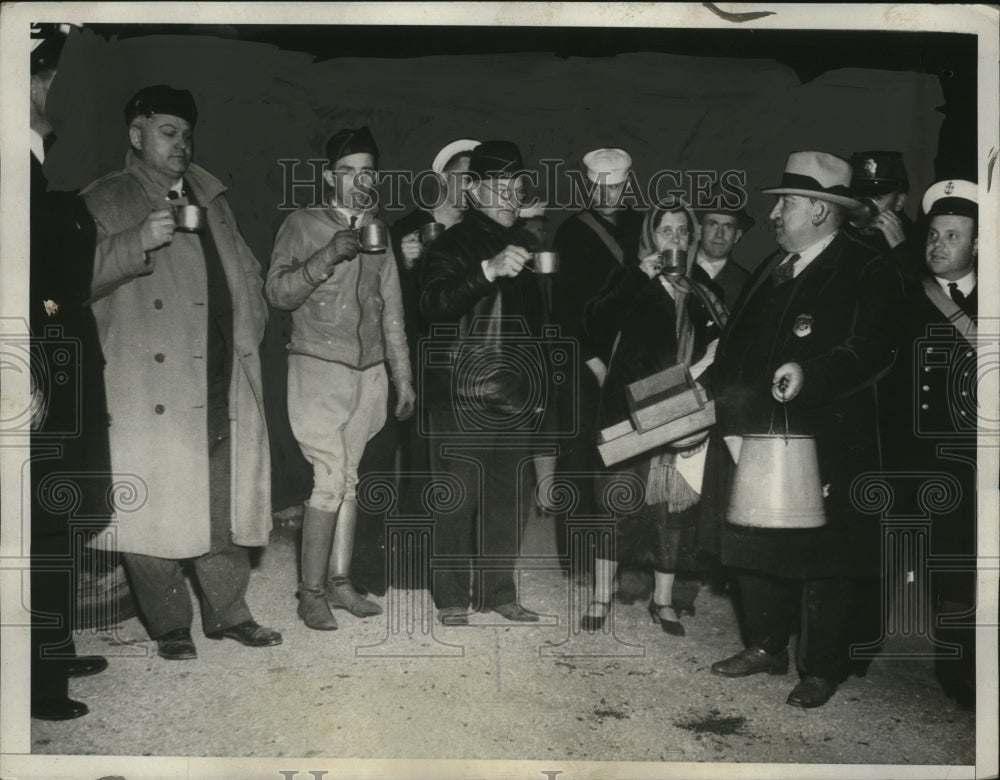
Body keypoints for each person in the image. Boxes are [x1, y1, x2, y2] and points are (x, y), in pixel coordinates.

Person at [82, 85, 281, 660]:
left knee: (224, 498)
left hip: (220, 372)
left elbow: (247, 266)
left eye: (187, 135)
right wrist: (135, 242)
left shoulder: (210, 195)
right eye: (168, 132)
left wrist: (251, 320)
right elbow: (69, 280)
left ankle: (229, 613)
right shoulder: (105, 199)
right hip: (150, 384)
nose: (181, 145)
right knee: (152, 504)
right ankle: (169, 623)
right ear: (136, 133)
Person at [708, 151, 905, 708]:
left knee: (826, 555)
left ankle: (820, 668)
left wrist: (811, 374)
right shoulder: (775, 264)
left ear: (819, 210)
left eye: (787, 204)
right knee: (753, 538)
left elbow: (873, 349)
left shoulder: (867, 267)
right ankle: (765, 645)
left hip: (826, 437)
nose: (774, 215)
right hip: (756, 428)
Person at [266, 126, 415, 630]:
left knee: (350, 478)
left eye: (366, 171)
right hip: (317, 366)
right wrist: (327, 254)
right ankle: (309, 593)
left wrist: (403, 377)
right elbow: (277, 294)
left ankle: (340, 581)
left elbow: (392, 311)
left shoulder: (379, 231)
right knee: (329, 478)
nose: (358, 180)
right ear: (331, 177)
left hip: (368, 373)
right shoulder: (302, 224)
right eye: (347, 171)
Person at [580, 203, 727, 634]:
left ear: (692, 238)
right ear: (651, 237)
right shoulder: (628, 278)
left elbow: (723, 341)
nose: (675, 240)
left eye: (682, 232)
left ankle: (662, 601)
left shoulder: (702, 290)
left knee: (670, 511)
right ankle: (601, 594)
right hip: (625, 413)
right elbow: (592, 324)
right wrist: (638, 279)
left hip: (678, 415)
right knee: (615, 504)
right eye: (666, 231)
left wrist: (703, 370)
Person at [419, 140, 546, 625]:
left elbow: (537, 329)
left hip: (515, 395)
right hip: (461, 395)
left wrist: (540, 393)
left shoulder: (529, 248)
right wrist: (487, 271)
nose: (512, 197)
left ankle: (498, 592)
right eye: (500, 187)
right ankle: (450, 595)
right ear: (472, 191)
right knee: (457, 498)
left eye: (518, 188)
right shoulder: (449, 244)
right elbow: (432, 306)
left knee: (508, 500)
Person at [28, 24, 111, 720]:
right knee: (39, 525)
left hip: (60, 362)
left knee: (61, 515)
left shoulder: (43, 164)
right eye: (52, 75)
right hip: (33, 370)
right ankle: (36, 679)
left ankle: (51, 650)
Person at [879, 179, 979, 708]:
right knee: (904, 554)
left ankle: (963, 666)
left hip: (974, 458)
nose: (938, 245)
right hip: (912, 453)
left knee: (965, 564)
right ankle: (865, 651)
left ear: (978, 245)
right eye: (933, 235)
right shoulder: (905, 292)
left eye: (953, 236)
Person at [549, 148, 643, 575]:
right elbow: (564, 307)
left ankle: (624, 557)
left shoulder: (643, 226)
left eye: (616, 187)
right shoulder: (571, 233)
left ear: (629, 184)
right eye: (598, 187)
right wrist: (595, 363)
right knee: (580, 456)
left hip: (632, 357)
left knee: (630, 455)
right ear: (587, 185)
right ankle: (578, 560)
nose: (607, 195)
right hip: (584, 361)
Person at [846, 150, 920, 281]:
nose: (865, 205)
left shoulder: (920, 242)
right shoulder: (842, 232)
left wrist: (901, 250)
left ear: (899, 202)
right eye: (859, 196)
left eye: (877, 197)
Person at [691, 186, 754, 309]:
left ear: (737, 235)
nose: (719, 234)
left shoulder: (747, 285)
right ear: (699, 230)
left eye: (728, 226)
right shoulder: (676, 271)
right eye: (712, 224)